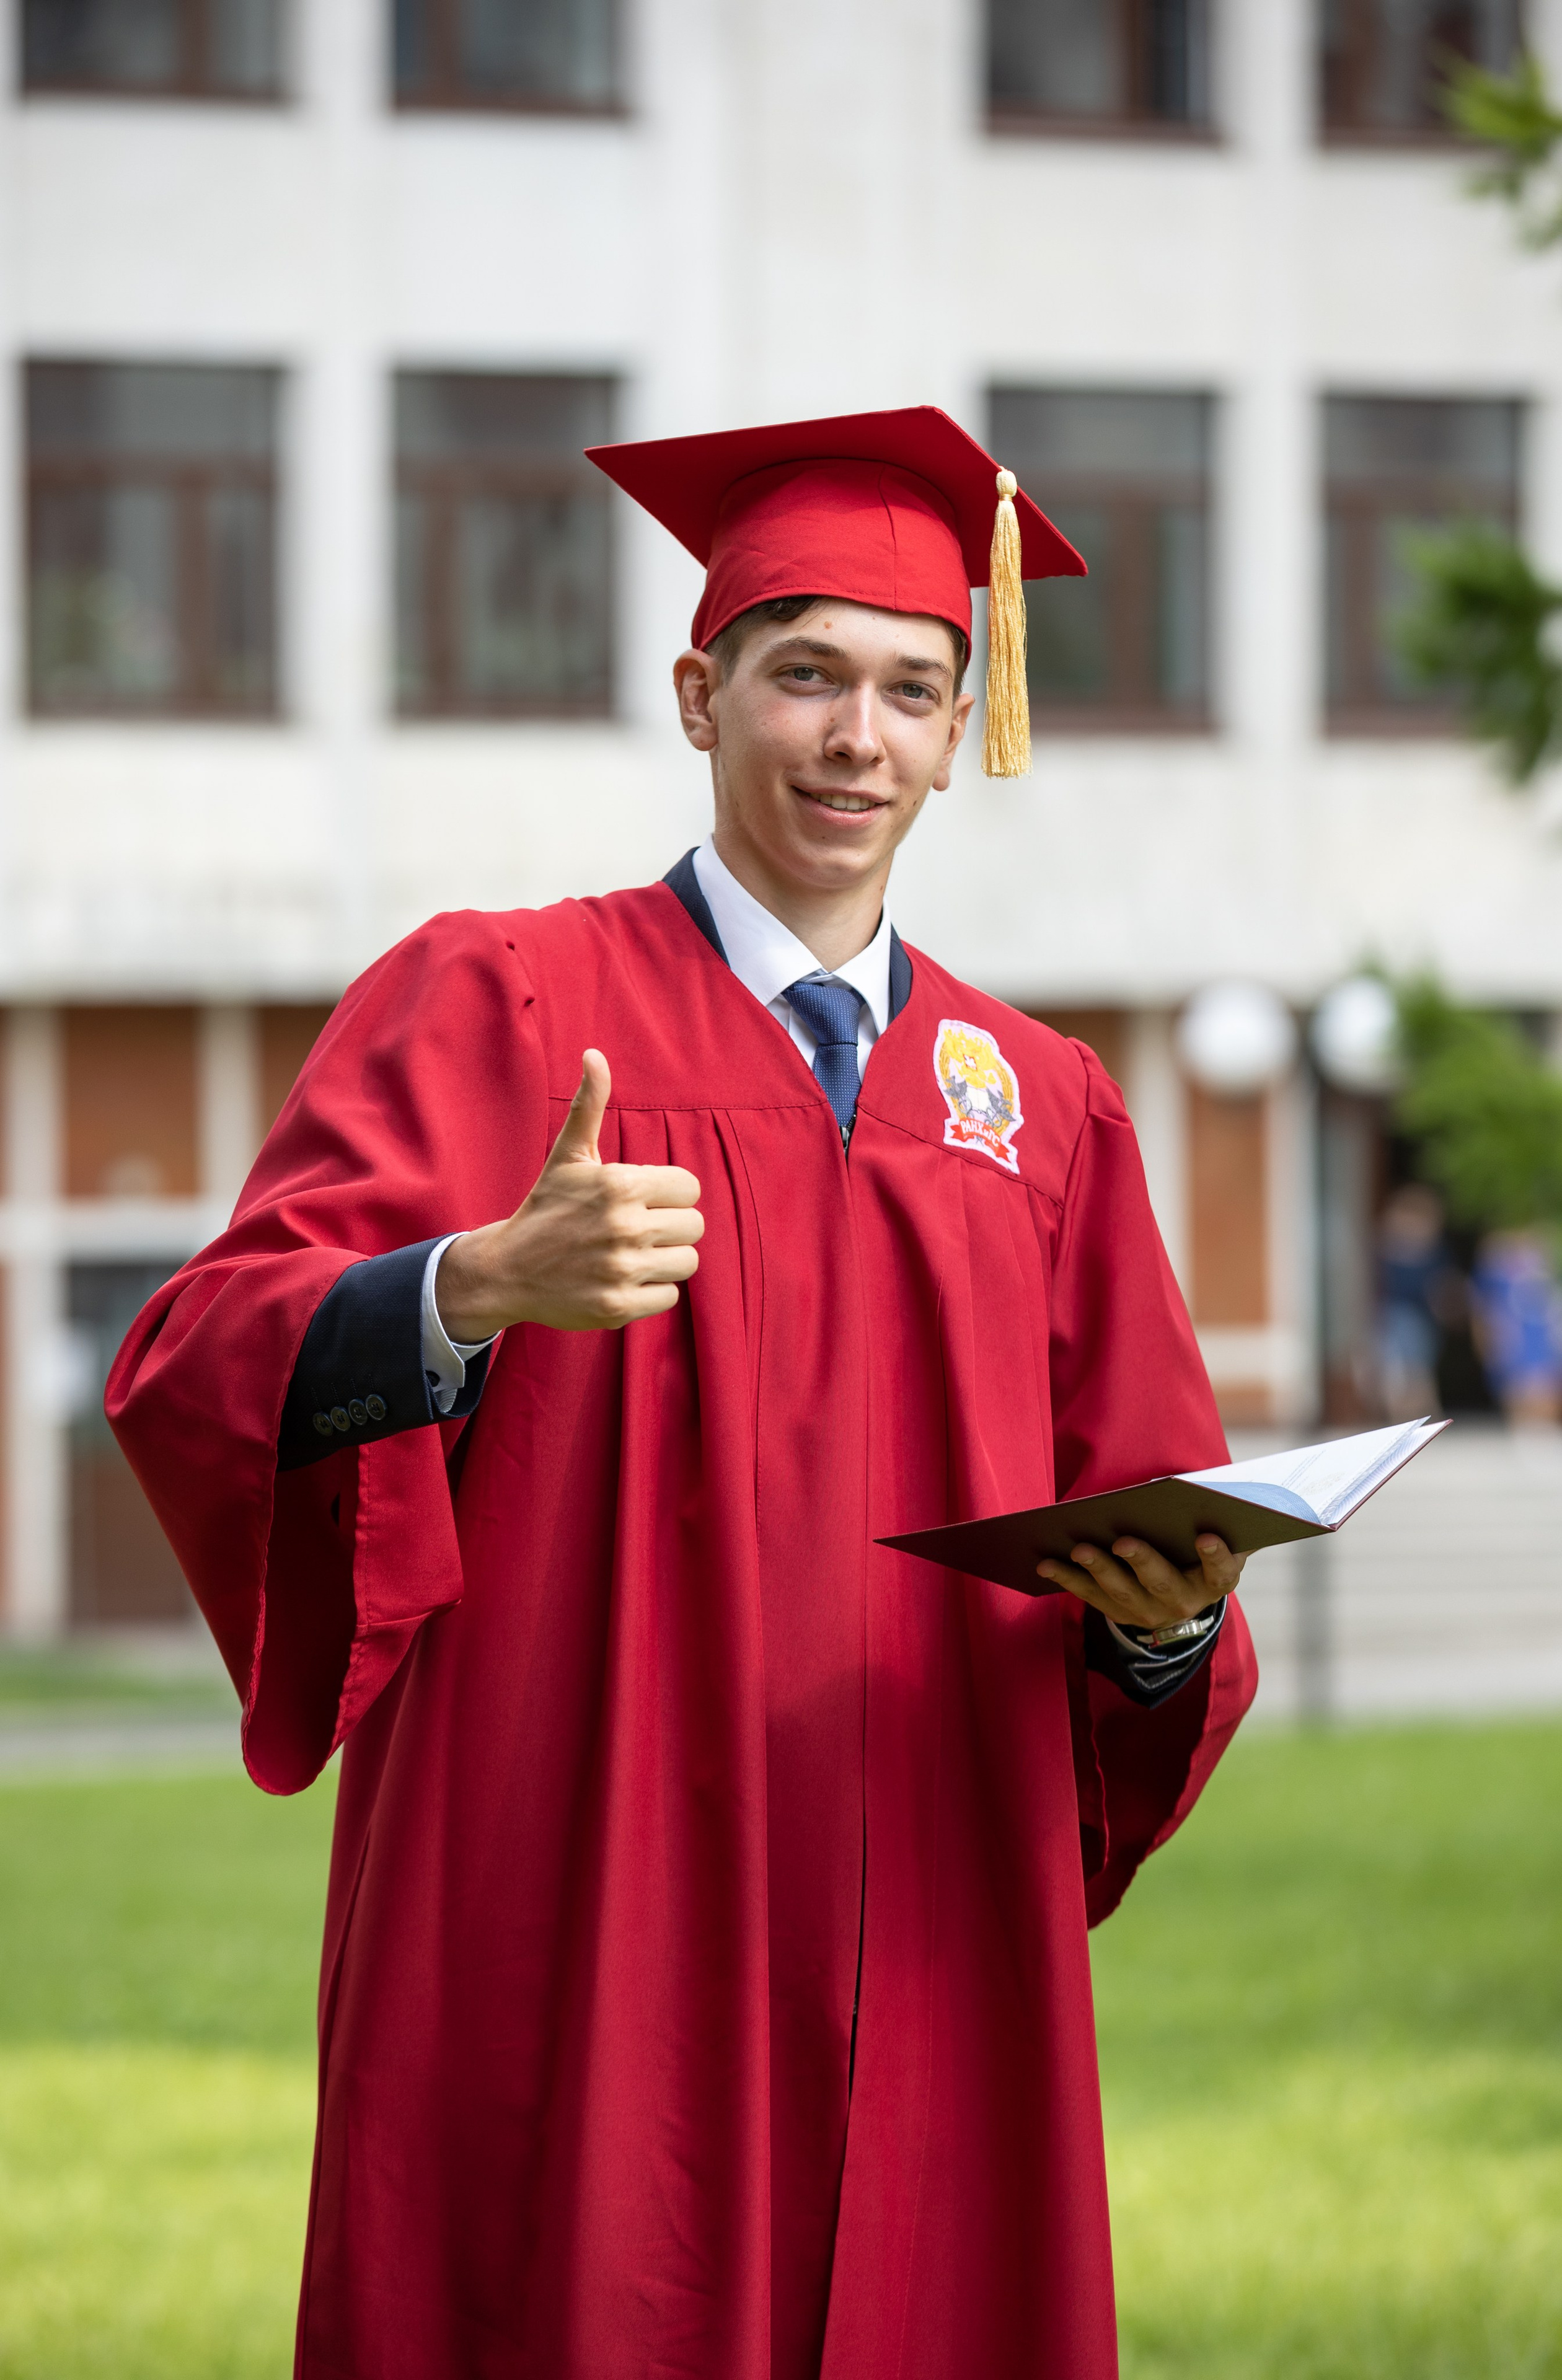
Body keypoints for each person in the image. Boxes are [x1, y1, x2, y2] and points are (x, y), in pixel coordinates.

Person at [108, 408, 1258, 2380]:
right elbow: (197, 1354)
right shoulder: (505, 1002)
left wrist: (1161, 1632)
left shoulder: (1037, 1103)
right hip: (583, 1872)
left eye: (911, 690)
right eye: (804, 674)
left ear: (963, 720)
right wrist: (469, 1284)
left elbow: (1149, 1505)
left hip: (927, 1901)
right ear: (697, 689)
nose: (856, 740)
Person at [1470, 1227, 1562, 1427]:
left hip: (1543, 1334)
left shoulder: (1553, 1259)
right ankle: (1527, 1436)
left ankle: (1542, 1435)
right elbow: (1486, 1308)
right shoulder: (1497, 1266)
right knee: (1520, 1388)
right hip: (1517, 1336)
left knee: (1545, 1386)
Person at [1374, 1181, 1460, 1421]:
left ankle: (1421, 1419)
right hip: (1392, 1319)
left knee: (1417, 1374)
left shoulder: (1434, 1252)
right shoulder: (1385, 1250)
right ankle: (1405, 1420)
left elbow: (1442, 1287)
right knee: (1399, 1375)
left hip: (1419, 1321)